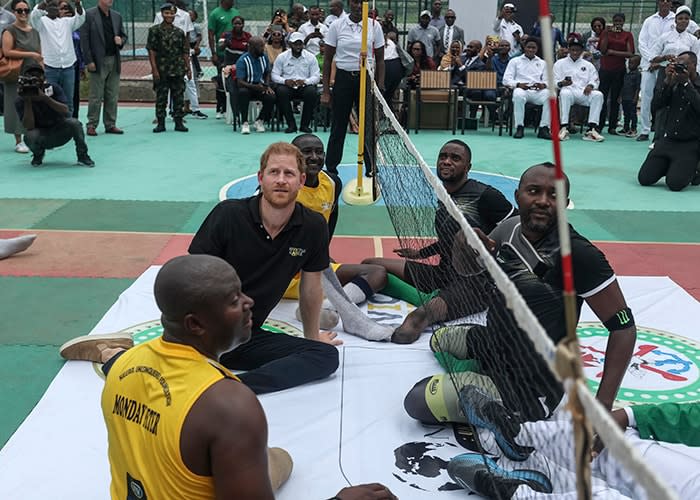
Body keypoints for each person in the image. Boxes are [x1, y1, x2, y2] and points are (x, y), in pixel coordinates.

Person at [59, 254, 397, 500]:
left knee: (279, 459)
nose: (249, 302)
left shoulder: (126, 364)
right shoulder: (229, 407)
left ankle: (102, 349)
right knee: (274, 462)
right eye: (234, 300)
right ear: (196, 324)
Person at [403, 163, 636, 443]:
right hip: (495, 345)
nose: (542, 201)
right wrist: (463, 246)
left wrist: (602, 407)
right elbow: (467, 271)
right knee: (439, 340)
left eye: (554, 195)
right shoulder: (509, 229)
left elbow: (624, 328)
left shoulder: (580, 256)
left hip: (530, 383)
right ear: (517, 195)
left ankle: (503, 414)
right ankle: (477, 385)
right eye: (534, 191)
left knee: (416, 400)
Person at [189, 142, 340, 394]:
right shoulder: (228, 215)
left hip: (245, 336)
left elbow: (311, 287)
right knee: (151, 368)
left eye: (289, 174)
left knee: (324, 355)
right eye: (274, 172)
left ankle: (230, 388)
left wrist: (312, 338)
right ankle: (115, 354)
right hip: (203, 331)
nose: (281, 180)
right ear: (261, 177)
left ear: (302, 180)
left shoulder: (313, 227)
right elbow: (190, 278)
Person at [363, 140, 515, 344]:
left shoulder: (486, 196)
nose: (446, 161)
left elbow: (517, 229)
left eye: (455, 158)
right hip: (443, 273)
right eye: (443, 156)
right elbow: (449, 240)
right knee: (370, 264)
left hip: (475, 286)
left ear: (468, 167)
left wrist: (496, 255)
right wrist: (422, 253)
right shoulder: (444, 195)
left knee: (415, 320)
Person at [321, 0, 385, 176]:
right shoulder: (336, 26)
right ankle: (332, 167)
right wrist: (326, 91)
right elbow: (327, 60)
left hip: (367, 79)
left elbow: (380, 59)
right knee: (338, 125)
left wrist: (379, 87)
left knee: (368, 126)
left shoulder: (374, 26)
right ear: (349, 4)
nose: (358, 6)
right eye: (355, 2)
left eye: (362, 3)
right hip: (343, 78)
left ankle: (371, 167)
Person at [638, 51, 700, 191]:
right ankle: (673, 165)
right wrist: (667, 82)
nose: (679, 68)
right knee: (645, 178)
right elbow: (656, 106)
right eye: (677, 64)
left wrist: (686, 84)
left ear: (694, 65)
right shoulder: (673, 83)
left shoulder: (690, 84)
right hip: (668, 140)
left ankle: (694, 168)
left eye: (683, 65)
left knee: (675, 184)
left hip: (690, 143)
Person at [15, 62, 94, 167]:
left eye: (37, 76)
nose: (34, 81)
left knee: (75, 123)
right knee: (29, 136)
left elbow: (66, 111)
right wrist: (28, 102)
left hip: (59, 131)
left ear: (43, 78)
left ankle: (82, 155)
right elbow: (29, 126)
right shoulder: (21, 99)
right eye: (30, 77)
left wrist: (45, 98)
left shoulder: (53, 88)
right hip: (41, 135)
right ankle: (38, 154)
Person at [29, 0, 84, 117]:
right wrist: (45, 1)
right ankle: (52, 130)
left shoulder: (67, 22)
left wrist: (78, 4)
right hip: (50, 68)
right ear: (46, 9)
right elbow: (34, 15)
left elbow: (80, 18)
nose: (54, 8)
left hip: (68, 67)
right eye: (51, 6)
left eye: (56, 6)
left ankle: (69, 127)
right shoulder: (41, 23)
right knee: (50, 100)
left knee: (69, 101)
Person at [153, 0, 205, 120]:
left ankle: (192, 110)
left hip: (180, 57)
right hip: (164, 58)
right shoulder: (159, 16)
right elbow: (154, 40)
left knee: (187, 83)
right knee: (163, 86)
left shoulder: (185, 16)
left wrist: (187, 56)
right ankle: (162, 114)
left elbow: (186, 38)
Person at [80, 0, 126, 136]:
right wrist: (89, 60)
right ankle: (92, 124)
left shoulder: (117, 16)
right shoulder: (89, 15)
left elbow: (123, 36)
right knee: (96, 95)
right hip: (98, 61)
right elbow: (85, 40)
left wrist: (121, 41)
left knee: (112, 95)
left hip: (114, 59)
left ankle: (110, 124)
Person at [2, 0, 41, 154]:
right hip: (16, 73)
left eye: (26, 10)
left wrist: (42, 72)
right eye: (19, 10)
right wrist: (29, 54)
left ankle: (32, 136)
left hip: (32, 72)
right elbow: (7, 51)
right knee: (15, 104)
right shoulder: (9, 30)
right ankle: (18, 141)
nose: (23, 13)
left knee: (32, 104)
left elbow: (40, 54)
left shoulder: (35, 32)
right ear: (14, 12)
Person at [147, 3, 191, 134]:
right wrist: (154, 69)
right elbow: (151, 51)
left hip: (177, 69)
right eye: (167, 13)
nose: (169, 16)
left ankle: (178, 122)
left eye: (171, 13)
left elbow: (184, 51)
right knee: (161, 97)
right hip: (162, 70)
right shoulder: (154, 30)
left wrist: (188, 68)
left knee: (178, 96)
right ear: (162, 14)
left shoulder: (179, 32)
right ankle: (161, 123)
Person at [554, 34, 605, 142]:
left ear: (582, 50)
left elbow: (595, 79)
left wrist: (591, 85)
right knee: (564, 93)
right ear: (568, 50)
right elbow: (554, 80)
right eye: (572, 50)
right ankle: (564, 127)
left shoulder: (588, 65)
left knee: (598, 95)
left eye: (577, 50)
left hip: (583, 92)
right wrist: (562, 83)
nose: (575, 52)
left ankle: (591, 129)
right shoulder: (559, 63)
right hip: (569, 91)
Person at [637, 0, 676, 142]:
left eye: (668, 0)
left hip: (667, 66)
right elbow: (642, 43)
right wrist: (653, 59)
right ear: (658, 2)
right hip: (648, 64)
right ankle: (645, 130)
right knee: (646, 97)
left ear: (671, 3)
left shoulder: (676, 19)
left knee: (664, 98)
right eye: (662, 0)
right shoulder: (649, 20)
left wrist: (661, 61)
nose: (665, 3)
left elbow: (674, 44)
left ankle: (662, 132)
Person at [503, 37, 552, 140]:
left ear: (537, 49)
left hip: (537, 91)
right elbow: (506, 80)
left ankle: (544, 128)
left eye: (533, 48)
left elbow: (548, 80)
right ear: (524, 47)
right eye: (528, 47)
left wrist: (543, 85)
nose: (531, 50)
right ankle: (520, 127)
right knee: (518, 95)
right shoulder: (515, 61)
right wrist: (518, 84)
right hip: (522, 89)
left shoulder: (543, 63)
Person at [271, 32, 320, 134]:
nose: (298, 46)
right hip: (288, 85)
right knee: (281, 91)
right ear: (290, 44)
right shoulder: (282, 57)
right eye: (295, 44)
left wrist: (305, 81)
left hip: (304, 85)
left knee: (311, 92)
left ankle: (304, 125)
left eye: (300, 44)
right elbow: (274, 75)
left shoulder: (311, 57)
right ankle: (291, 125)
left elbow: (316, 76)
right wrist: (285, 81)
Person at [598, 13, 635, 134]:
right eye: (616, 21)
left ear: (623, 22)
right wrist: (607, 34)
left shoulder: (627, 35)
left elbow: (630, 53)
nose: (617, 23)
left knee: (615, 99)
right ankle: (599, 123)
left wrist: (613, 51)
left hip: (619, 70)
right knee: (601, 97)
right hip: (605, 69)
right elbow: (603, 50)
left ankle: (612, 126)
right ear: (612, 21)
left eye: (620, 21)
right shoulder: (605, 33)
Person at [235, 36, 274, 135]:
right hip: (247, 86)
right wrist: (254, 87)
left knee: (271, 97)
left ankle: (260, 120)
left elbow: (267, 73)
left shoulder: (264, 57)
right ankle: (244, 122)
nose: (263, 48)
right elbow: (239, 82)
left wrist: (267, 85)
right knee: (243, 93)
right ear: (252, 47)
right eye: (260, 46)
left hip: (260, 87)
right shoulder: (242, 60)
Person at [208, 0, 239, 119]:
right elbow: (211, 34)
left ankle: (231, 108)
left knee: (234, 80)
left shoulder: (235, 12)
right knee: (222, 81)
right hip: (221, 53)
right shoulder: (215, 14)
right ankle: (220, 107)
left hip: (235, 53)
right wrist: (213, 53)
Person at [620, 54, 641, 136]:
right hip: (625, 96)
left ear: (638, 64)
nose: (630, 65)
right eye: (629, 63)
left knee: (633, 113)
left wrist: (636, 97)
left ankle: (633, 128)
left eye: (632, 63)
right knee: (626, 113)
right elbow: (623, 85)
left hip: (632, 97)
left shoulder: (637, 74)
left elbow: (638, 87)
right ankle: (626, 128)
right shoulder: (626, 74)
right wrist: (620, 96)